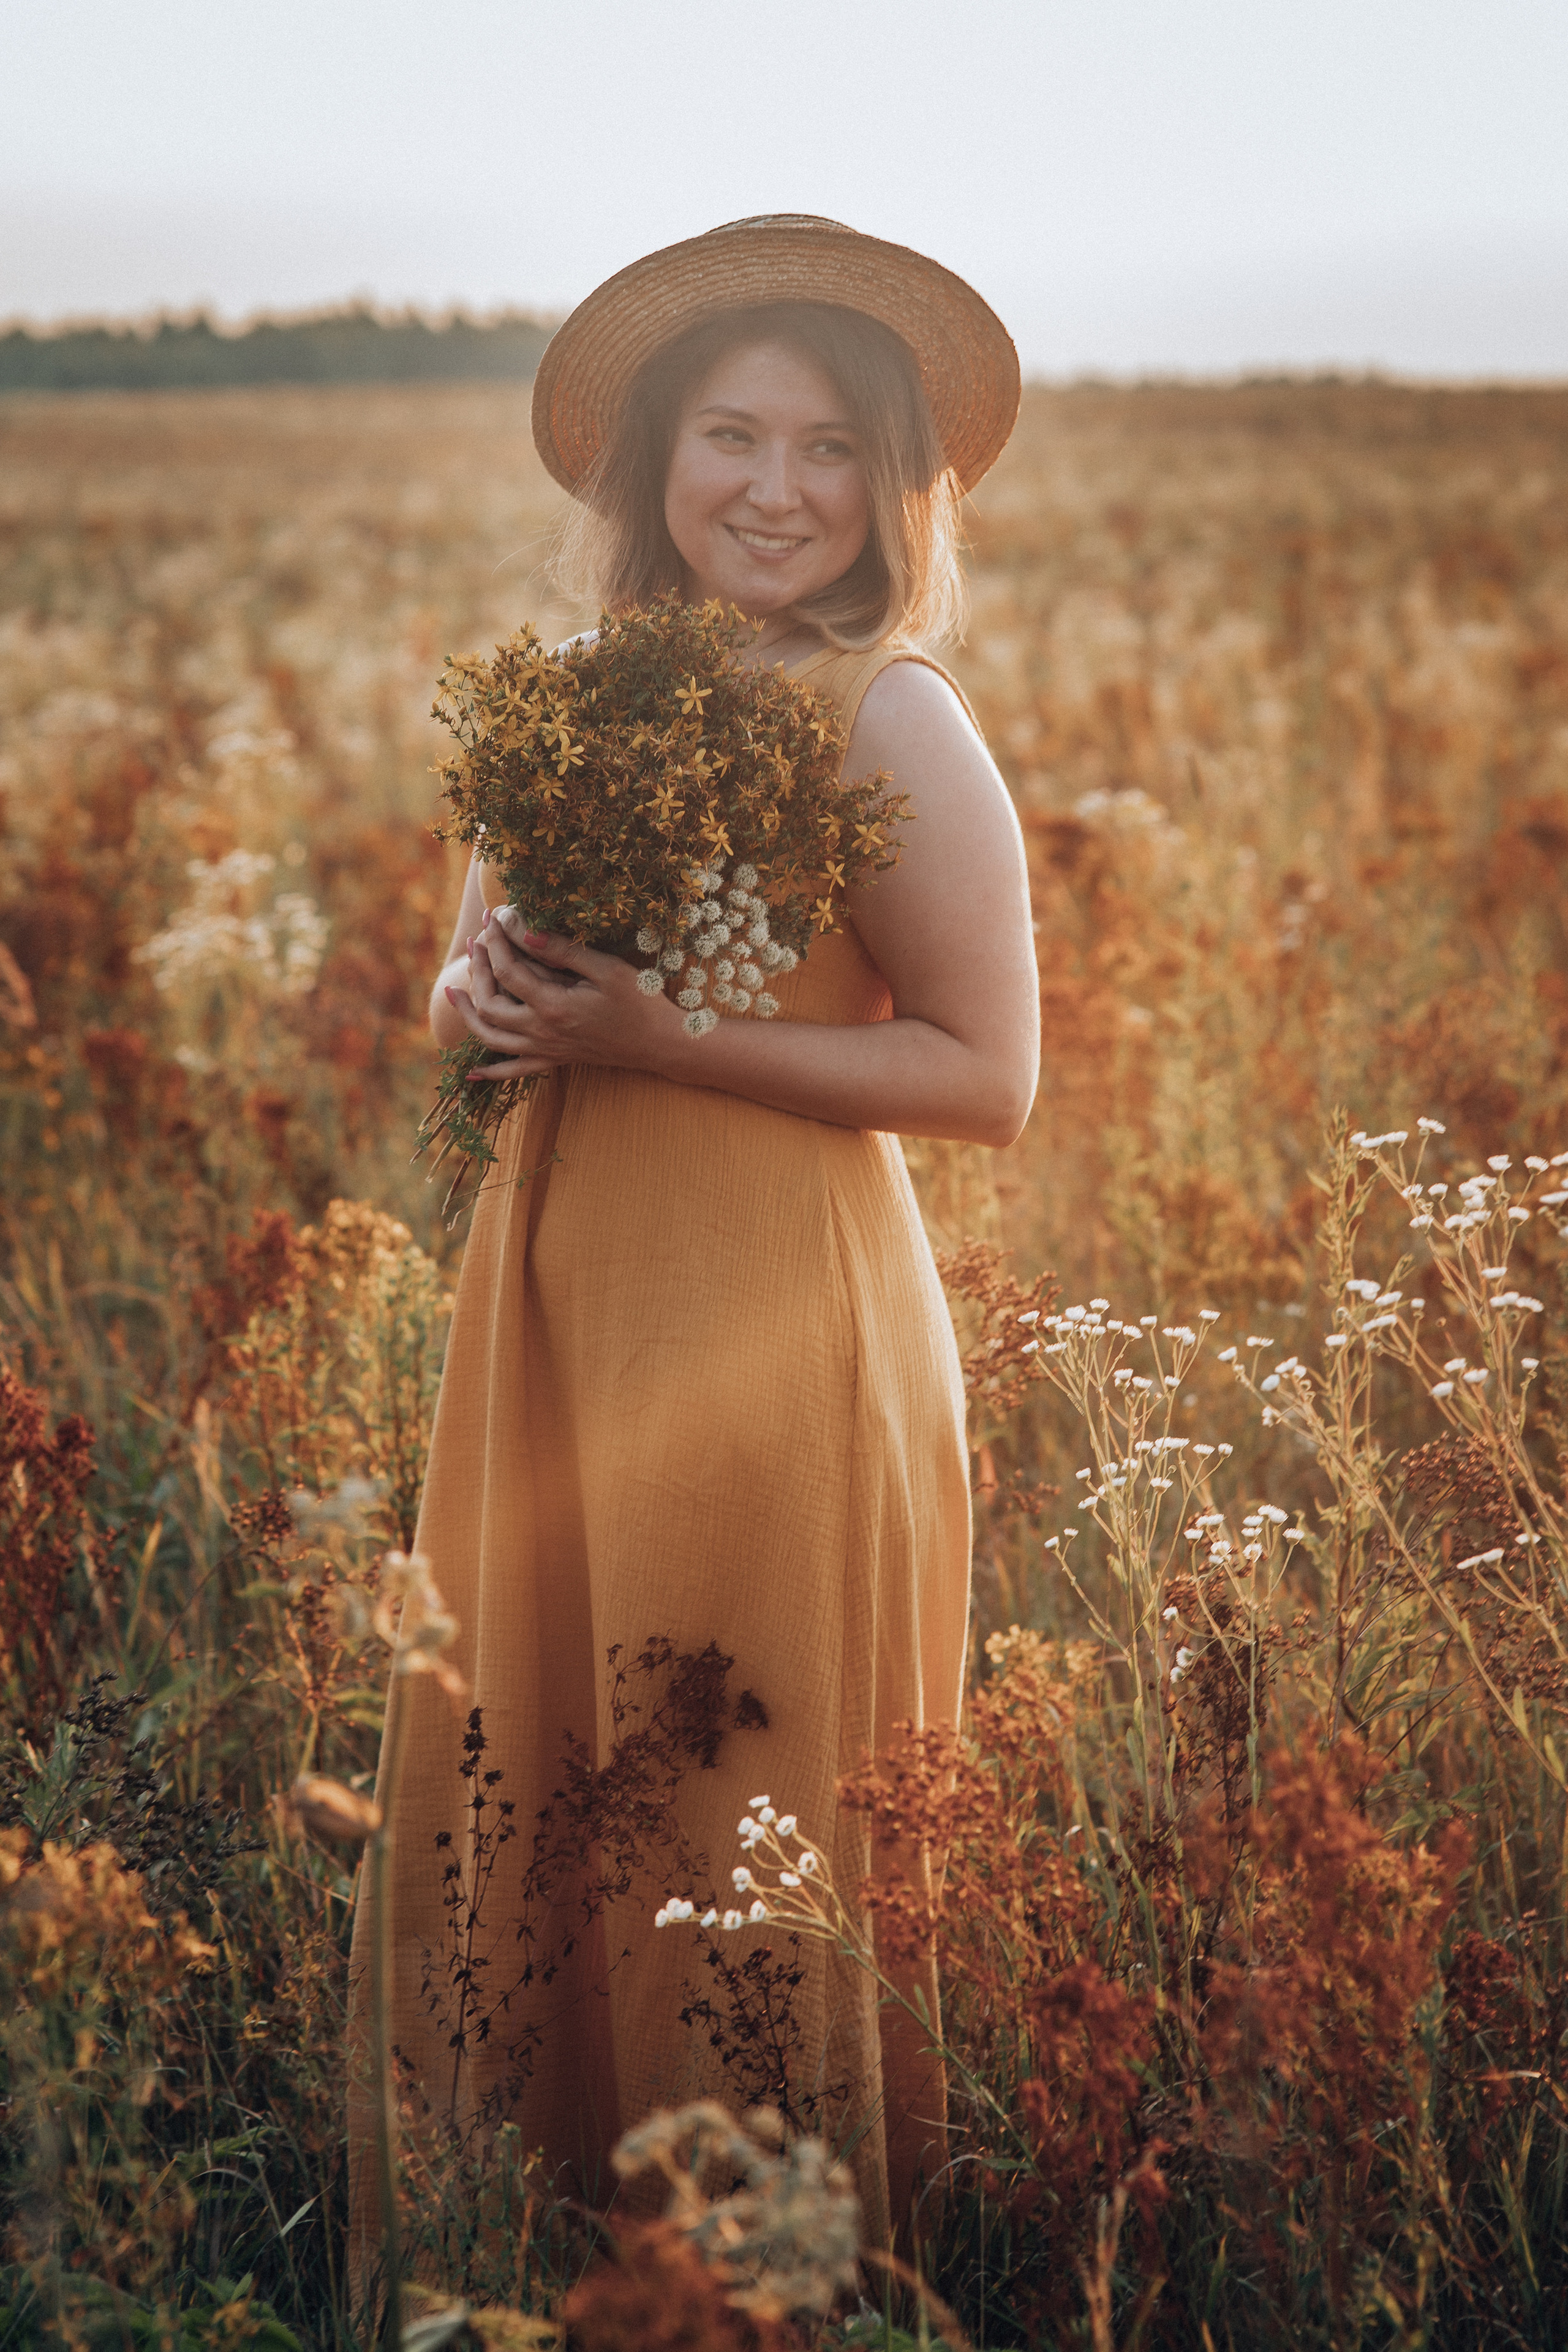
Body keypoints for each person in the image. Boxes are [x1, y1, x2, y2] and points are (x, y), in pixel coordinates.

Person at [353, 215, 1038, 2255]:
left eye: (829, 447)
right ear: (657, 461)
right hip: (566, 1303)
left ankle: (767, 2254)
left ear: (893, 484)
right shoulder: (562, 700)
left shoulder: (888, 716)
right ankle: (551, 2235)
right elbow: (458, 1002)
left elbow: (986, 1077)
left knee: (745, 1776)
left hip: (784, 1323)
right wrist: (482, 1016)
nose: (775, 486)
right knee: (542, 1751)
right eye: (731, 434)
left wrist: (673, 1034)